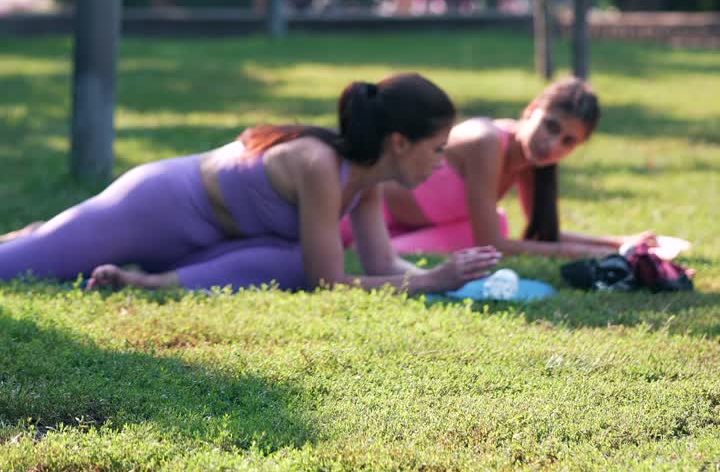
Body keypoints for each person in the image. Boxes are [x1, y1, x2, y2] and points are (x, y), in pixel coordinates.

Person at [0, 74, 500, 294]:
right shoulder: (321, 165)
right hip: (156, 207)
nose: (441, 163)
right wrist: (433, 281)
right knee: (18, 268)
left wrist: (452, 277)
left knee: (289, 262)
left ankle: (148, 281)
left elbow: (381, 265)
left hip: (203, 246)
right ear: (399, 141)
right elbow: (331, 285)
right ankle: (46, 238)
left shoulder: (367, 183)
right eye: (437, 149)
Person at [344, 77, 657, 260]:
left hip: (411, 227)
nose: (552, 145)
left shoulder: (531, 162)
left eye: (568, 142)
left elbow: (543, 234)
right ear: (531, 110)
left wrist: (619, 242)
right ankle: (369, 246)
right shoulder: (488, 142)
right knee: (496, 231)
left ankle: (377, 248)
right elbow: (491, 244)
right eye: (550, 126)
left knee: (501, 222)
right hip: (364, 212)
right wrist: (599, 255)